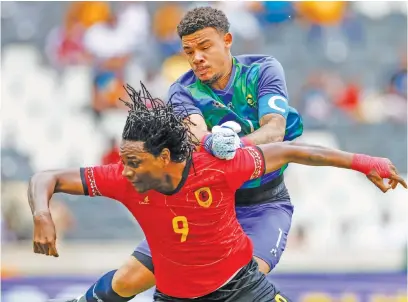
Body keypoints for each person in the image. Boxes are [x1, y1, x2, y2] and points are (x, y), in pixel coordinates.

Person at [30, 84, 407, 302]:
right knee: (126, 280)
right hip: (176, 298)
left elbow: (295, 150)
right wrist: (42, 215)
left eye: (133, 161)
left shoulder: (217, 167)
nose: (124, 170)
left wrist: (363, 161)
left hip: (242, 289)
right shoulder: (123, 179)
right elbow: (46, 178)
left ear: (164, 157)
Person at [101, 6, 304, 300]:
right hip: (206, 201)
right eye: (189, 51)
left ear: (227, 40)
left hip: (263, 205)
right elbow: (196, 132)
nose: (197, 57)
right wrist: (210, 141)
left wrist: (236, 146)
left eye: (205, 46)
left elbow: (274, 130)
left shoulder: (263, 70)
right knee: (128, 279)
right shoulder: (181, 90)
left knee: (240, 282)